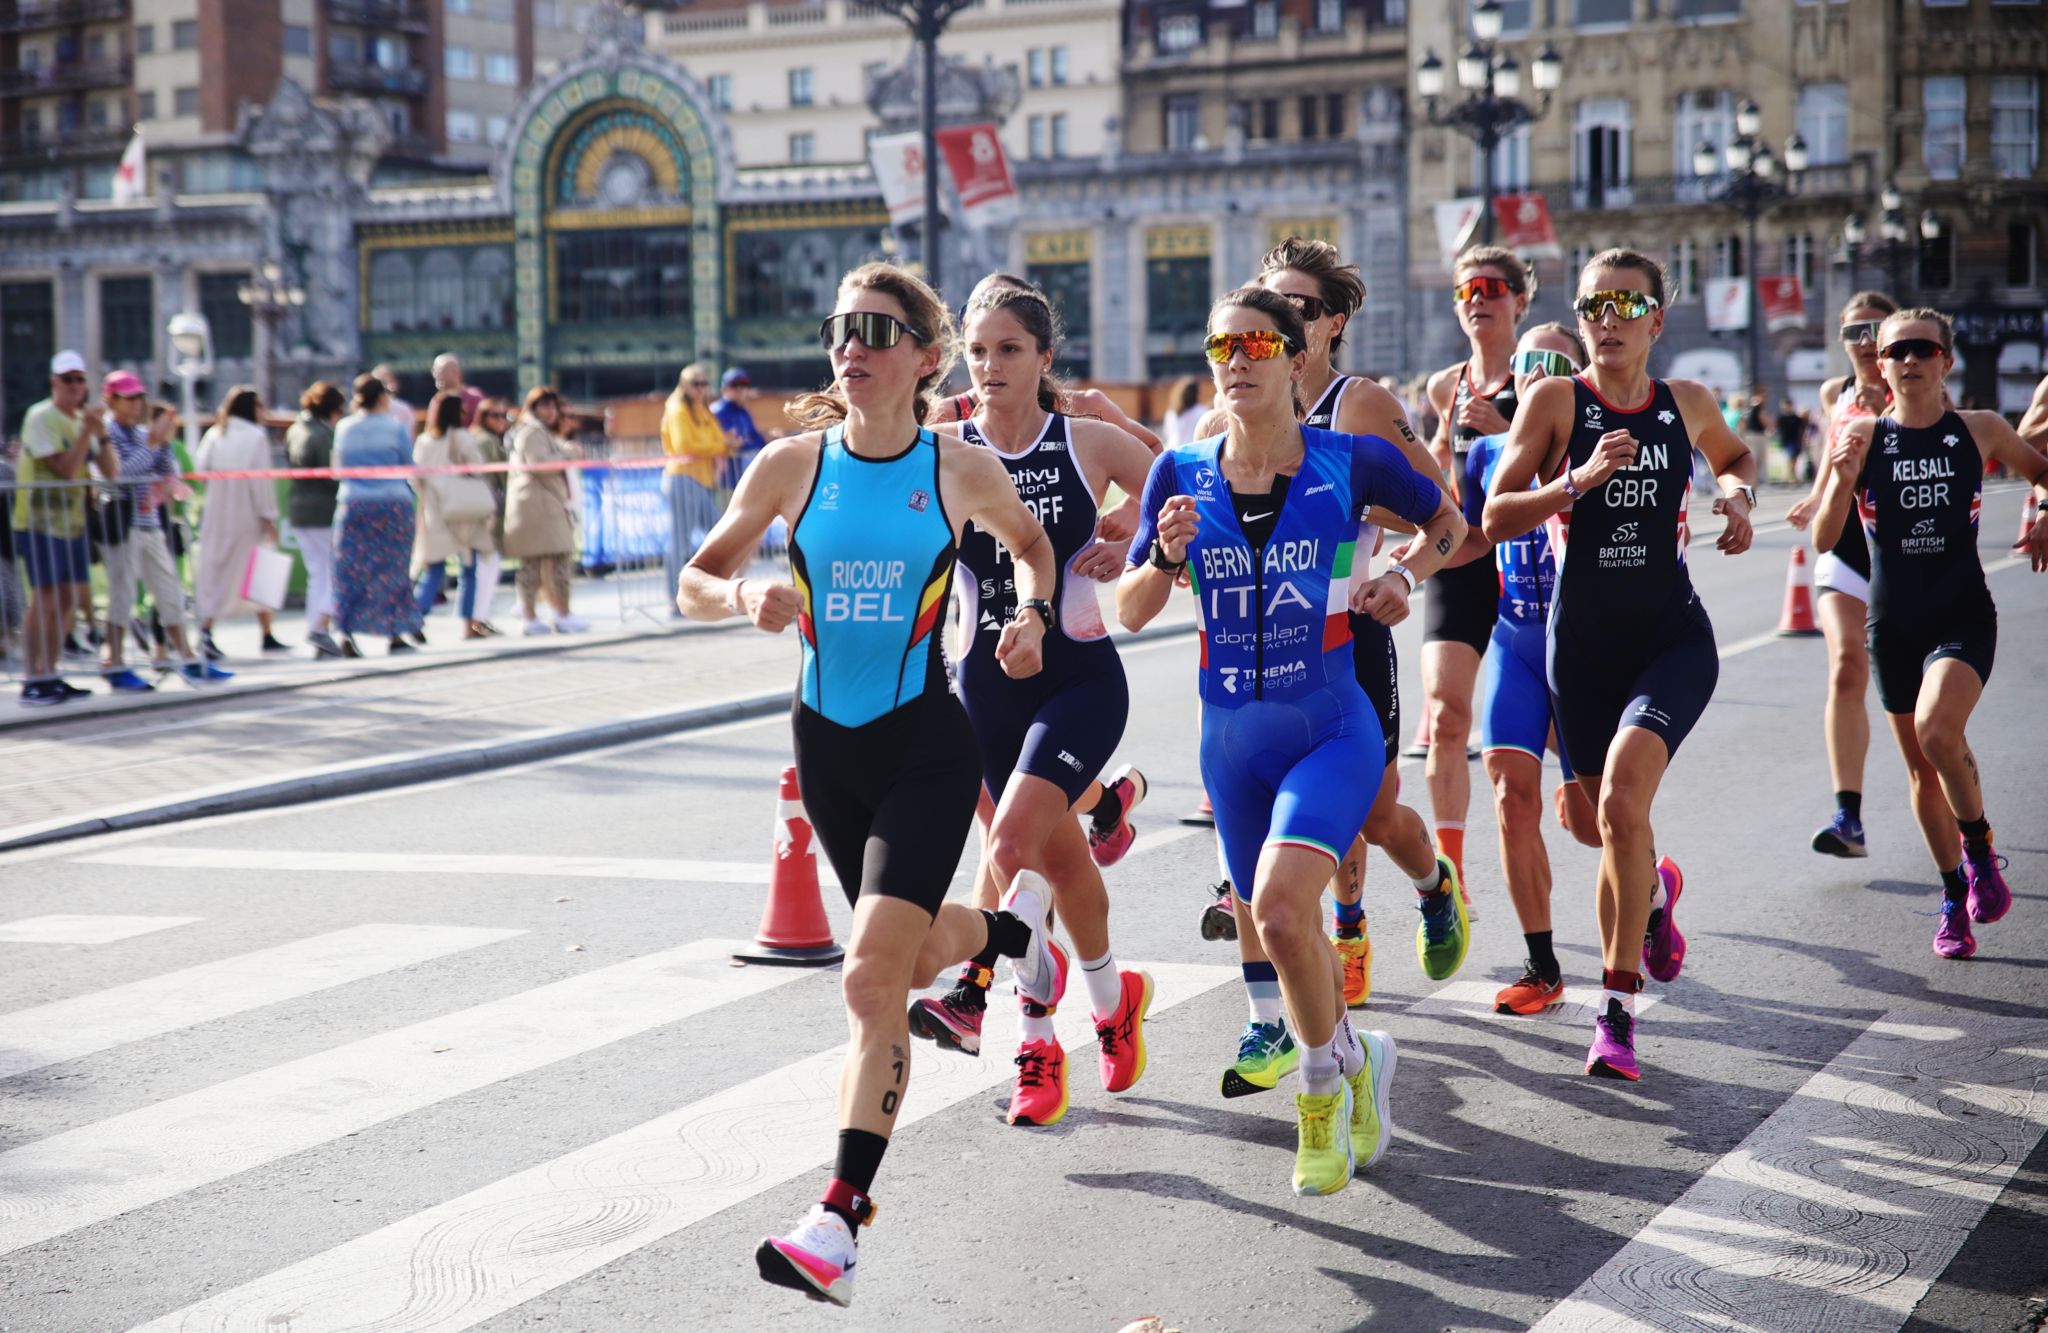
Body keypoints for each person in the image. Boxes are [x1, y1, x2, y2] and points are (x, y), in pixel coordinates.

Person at [675, 262, 1060, 1306]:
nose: (854, 344)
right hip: (826, 748)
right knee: (914, 953)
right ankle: (1012, 938)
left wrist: (1028, 615)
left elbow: (1031, 548)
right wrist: (739, 594)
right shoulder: (791, 466)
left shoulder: (955, 469)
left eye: (878, 330)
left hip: (926, 744)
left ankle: (838, 1220)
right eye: (843, 326)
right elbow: (695, 574)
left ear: (923, 359)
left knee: (865, 979)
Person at [1120, 286, 1466, 1195]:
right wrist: (1158, 555)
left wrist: (1402, 573)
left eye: (1258, 341)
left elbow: (1449, 522)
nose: (1238, 359)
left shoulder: (1349, 460)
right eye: (1221, 344)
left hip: (1330, 722)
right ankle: (1358, 1055)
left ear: (1296, 355)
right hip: (1228, 740)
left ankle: (1319, 1098)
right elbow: (1128, 608)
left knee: (1275, 911)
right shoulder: (1178, 472)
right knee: (1284, 930)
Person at [1483, 249, 1757, 1082]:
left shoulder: (1688, 403)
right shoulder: (1558, 401)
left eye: (1626, 304)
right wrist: (1575, 483)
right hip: (1584, 645)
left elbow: (1738, 457)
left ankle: (1615, 1015)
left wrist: (1736, 494)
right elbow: (1494, 513)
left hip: (1672, 637)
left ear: (1656, 321)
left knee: (1626, 801)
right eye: (1595, 303)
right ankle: (1655, 895)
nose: (1608, 318)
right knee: (1596, 825)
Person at [905, 281, 1158, 1127]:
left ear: (1045, 358)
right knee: (1058, 866)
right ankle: (1113, 996)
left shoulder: (1083, 440)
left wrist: (1133, 531)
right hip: (981, 689)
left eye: (1009, 349)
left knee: (1008, 844)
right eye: (977, 351)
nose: (991, 366)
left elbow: (1188, 480)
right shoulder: (945, 445)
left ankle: (1003, 1017)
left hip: (1080, 679)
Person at [1812, 308, 2048, 960]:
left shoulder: (1979, 430)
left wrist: (2045, 509)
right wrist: (1838, 473)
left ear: (1946, 360)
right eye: (1896, 351)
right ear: (1880, 366)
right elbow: (1824, 537)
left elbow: (2041, 469)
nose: (1910, 360)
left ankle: (1978, 847)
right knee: (1921, 771)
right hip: (1892, 625)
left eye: (1923, 348)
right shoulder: (1863, 436)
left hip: (1962, 613)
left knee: (1937, 729)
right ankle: (1953, 894)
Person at [1456, 324, 1603, 1015]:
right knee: (1512, 795)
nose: (1537, 374)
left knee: (1594, 822)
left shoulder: (1600, 452)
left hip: (1578, 645)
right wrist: (1393, 569)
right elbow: (1458, 538)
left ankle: (1654, 887)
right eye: (1526, 363)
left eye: (1555, 364)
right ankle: (1543, 965)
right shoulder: (1486, 454)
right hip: (1515, 639)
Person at [1420, 245, 1532, 905]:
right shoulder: (1447, 385)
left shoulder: (1546, 377)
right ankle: (1449, 879)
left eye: (1492, 288)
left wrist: (1507, 427)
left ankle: (1644, 869)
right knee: (1445, 713)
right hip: (1461, 558)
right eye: (1466, 291)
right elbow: (1437, 460)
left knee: (1564, 734)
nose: (1478, 300)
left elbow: (1559, 463)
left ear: (1519, 299)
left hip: (1527, 565)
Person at [1785, 292, 1898, 858]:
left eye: (1873, 330)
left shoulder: (1915, 388)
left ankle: (1953, 800)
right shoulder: (1836, 394)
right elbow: (1834, 460)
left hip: (1903, 552)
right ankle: (1848, 817)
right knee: (1848, 667)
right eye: (1852, 331)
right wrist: (1813, 500)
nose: (1862, 341)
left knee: (1918, 700)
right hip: (1844, 548)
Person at [12, 351, 108, 704]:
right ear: (53, 381)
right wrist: (86, 431)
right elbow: (66, 469)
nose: (75, 386)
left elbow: (111, 472)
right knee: (45, 598)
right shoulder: (40, 417)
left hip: (73, 525)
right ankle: (33, 678)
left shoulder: (83, 419)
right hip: (39, 523)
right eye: (67, 379)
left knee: (66, 600)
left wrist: (102, 434)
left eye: (80, 379)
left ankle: (51, 673)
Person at [332, 373, 424, 657]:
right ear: (383, 397)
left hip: (354, 504)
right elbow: (408, 465)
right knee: (393, 570)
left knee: (350, 571)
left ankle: (346, 632)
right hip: (393, 504)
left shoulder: (344, 428)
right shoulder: (395, 428)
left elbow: (337, 468)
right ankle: (394, 633)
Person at [193, 386, 285, 659]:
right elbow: (261, 481)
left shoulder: (216, 433)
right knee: (259, 569)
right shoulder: (255, 436)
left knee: (218, 568)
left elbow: (201, 468)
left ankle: (207, 629)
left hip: (217, 510)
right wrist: (268, 516)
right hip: (245, 512)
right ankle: (265, 633)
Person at [411, 390, 497, 641]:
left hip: (435, 511)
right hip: (464, 510)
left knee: (434, 567)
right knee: (468, 570)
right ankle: (468, 625)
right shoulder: (462, 437)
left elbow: (415, 477)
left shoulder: (424, 440)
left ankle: (414, 618)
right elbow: (478, 468)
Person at [503, 386, 588, 635]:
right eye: (545, 406)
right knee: (547, 562)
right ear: (534, 407)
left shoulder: (534, 431)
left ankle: (548, 614)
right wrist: (566, 453)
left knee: (545, 563)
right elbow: (539, 464)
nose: (551, 412)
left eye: (554, 406)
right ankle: (555, 614)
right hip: (539, 506)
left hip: (542, 505)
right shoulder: (531, 432)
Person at [660, 365, 728, 613]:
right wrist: (716, 445)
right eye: (695, 384)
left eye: (704, 383)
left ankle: (711, 593)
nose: (701, 388)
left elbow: (718, 438)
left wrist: (715, 444)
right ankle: (675, 601)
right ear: (684, 385)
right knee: (679, 541)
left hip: (700, 481)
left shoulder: (701, 409)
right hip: (682, 479)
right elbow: (684, 444)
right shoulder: (677, 409)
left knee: (718, 533)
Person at [287, 381, 346, 657]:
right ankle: (320, 629)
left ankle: (318, 630)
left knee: (317, 575)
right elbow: (330, 476)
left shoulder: (295, 429)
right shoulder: (323, 435)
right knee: (334, 573)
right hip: (322, 510)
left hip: (299, 509)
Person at [472, 396, 513, 624]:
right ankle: (480, 617)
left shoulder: (490, 440)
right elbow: (491, 478)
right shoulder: (485, 441)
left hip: (487, 508)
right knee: (487, 565)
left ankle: (481, 617)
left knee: (487, 565)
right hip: (487, 510)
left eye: (503, 415)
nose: (501, 420)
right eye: (495, 415)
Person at [714, 368, 769, 487]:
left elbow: (757, 438)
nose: (740, 389)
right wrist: (752, 442)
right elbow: (732, 444)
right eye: (734, 385)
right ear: (724, 388)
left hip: (742, 476)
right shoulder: (719, 411)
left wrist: (767, 438)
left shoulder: (742, 411)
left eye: (744, 384)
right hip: (725, 477)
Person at [432, 352, 486, 428]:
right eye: (434, 370)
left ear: (455, 372)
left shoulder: (474, 397)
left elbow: (480, 428)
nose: (436, 374)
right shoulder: (436, 400)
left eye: (440, 370)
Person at [1159, 376, 1207, 448]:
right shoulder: (1200, 411)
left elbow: (1167, 433)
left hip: (1172, 449)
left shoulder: (1171, 413)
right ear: (1196, 393)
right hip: (1191, 451)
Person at [373, 363, 416, 436]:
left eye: (390, 381)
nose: (388, 386)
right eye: (383, 383)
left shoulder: (404, 409)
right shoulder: (367, 410)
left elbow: (409, 436)